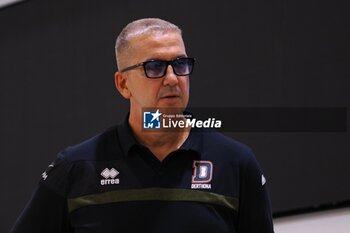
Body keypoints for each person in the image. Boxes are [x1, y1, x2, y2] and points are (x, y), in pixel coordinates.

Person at [10, 18, 274, 233]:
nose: (172, 78)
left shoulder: (236, 163)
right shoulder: (75, 168)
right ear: (123, 84)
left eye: (180, 64)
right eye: (155, 67)